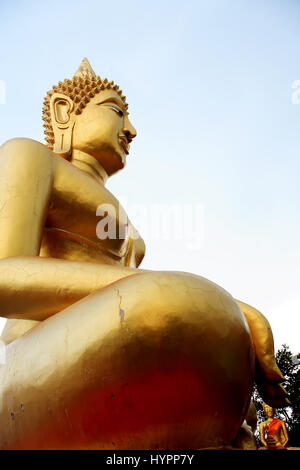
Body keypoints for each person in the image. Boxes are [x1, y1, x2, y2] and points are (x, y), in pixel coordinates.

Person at [0, 58, 288, 449]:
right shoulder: (30, 157)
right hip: (35, 351)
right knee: (168, 304)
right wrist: (167, 289)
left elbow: (140, 307)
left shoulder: (117, 208)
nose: (131, 131)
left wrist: (234, 314)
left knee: (188, 315)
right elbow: (4, 277)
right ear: (65, 111)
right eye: (117, 112)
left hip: (112, 346)